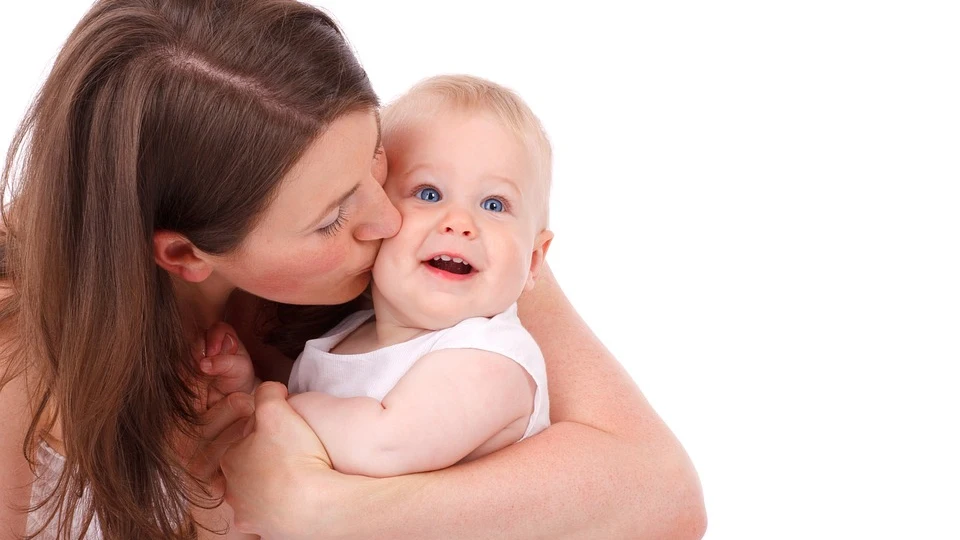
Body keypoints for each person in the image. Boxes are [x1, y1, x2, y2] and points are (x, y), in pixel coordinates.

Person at [0, 1, 706, 539]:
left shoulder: (445, 227)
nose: (390, 216)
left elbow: (664, 494)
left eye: (376, 153)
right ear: (184, 254)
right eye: (332, 217)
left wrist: (329, 508)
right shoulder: (21, 351)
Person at [210, 74, 555, 478]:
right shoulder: (347, 336)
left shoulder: (490, 359)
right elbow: (306, 449)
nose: (460, 223)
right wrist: (245, 392)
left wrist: (267, 405)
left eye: (494, 204)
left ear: (532, 262)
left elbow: (379, 445)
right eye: (429, 194)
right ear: (375, 216)